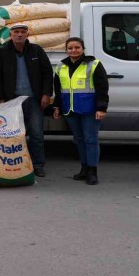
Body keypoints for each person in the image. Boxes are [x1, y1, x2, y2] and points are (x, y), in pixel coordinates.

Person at [0, 23, 53, 177]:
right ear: (10, 35)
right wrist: (1, 99)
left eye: (22, 32)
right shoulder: (3, 52)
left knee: (36, 134)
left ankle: (38, 164)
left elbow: (47, 73)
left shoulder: (36, 50)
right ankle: (15, 163)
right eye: (16, 32)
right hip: (12, 100)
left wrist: (46, 94)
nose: (19, 34)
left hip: (33, 99)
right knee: (13, 134)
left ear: (27, 35)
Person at [53, 37, 109, 185]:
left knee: (90, 139)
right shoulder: (60, 66)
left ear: (83, 49)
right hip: (70, 109)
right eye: (70, 48)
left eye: (77, 47)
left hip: (90, 109)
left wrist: (101, 108)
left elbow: (102, 88)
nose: (74, 50)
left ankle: (92, 171)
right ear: (66, 50)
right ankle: (84, 169)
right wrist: (57, 107)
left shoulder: (93, 64)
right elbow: (58, 90)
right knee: (79, 140)